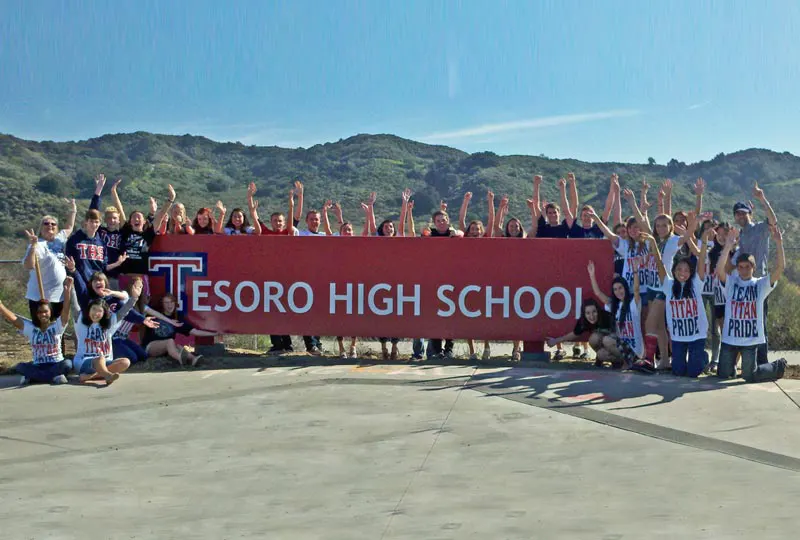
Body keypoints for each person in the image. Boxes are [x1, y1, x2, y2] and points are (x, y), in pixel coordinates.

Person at [716, 227, 787, 382]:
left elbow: (780, 269)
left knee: (749, 376)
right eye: (740, 267)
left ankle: (777, 366)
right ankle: (731, 367)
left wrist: (779, 244)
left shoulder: (760, 284)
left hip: (750, 340)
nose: (744, 270)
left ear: (753, 268)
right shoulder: (731, 283)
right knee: (723, 375)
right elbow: (719, 270)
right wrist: (727, 246)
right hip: (730, 339)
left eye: (747, 267)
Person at [648, 226, 710, 378]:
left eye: (686, 270)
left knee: (693, 372)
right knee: (679, 371)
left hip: (697, 335)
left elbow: (702, 260)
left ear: (691, 272)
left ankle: (703, 357)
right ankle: (688, 360)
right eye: (679, 269)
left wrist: (705, 241)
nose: (683, 273)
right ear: (674, 270)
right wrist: (652, 243)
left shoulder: (696, 283)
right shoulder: (668, 285)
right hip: (678, 337)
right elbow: (659, 263)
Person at [729, 182, 778, 365]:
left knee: (760, 323)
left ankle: (762, 363)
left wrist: (761, 197)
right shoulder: (739, 235)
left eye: (744, 212)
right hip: (742, 283)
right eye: (738, 213)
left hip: (759, 283)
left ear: (750, 213)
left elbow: (773, 220)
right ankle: (750, 363)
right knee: (748, 323)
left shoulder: (760, 228)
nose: (741, 215)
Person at [0, 276, 74, 385]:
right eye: (39, 312)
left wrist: (67, 292)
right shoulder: (31, 328)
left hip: (55, 364)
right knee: (20, 367)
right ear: (36, 314)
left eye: (45, 311)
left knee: (67, 364)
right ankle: (52, 378)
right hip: (38, 366)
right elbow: (13, 319)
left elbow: (66, 312)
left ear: (50, 313)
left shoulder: (57, 326)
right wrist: (1, 305)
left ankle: (36, 378)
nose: (42, 314)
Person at [70, 279, 140, 385]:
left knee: (125, 362)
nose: (96, 313)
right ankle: (107, 375)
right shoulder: (81, 323)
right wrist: (71, 288)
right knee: (100, 358)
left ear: (104, 313)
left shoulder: (109, 324)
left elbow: (124, 311)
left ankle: (90, 377)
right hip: (83, 362)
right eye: (94, 309)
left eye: (99, 311)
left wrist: (134, 298)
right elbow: (74, 305)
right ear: (89, 310)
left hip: (105, 362)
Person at [588, 259, 647, 372]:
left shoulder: (633, 303)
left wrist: (635, 271)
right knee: (601, 354)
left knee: (607, 340)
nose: (618, 291)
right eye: (615, 289)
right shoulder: (614, 305)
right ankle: (622, 362)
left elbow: (636, 289)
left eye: (620, 288)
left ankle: (630, 362)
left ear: (625, 288)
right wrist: (592, 275)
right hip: (620, 346)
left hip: (634, 349)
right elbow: (598, 293)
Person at [21, 207, 75, 320]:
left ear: (56, 228)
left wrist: (73, 209)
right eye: (46, 223)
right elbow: (28, 266)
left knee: (58, 330)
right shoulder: (38, 244)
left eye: (53, 224)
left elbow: (69, 227)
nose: (50, 225)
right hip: (41, 297)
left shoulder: (59, 239)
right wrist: (32, 247)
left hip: (59, 295)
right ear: (41, 228)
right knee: (42, 329)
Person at [142, 293, 219, 367]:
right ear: (162, 304)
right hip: (150, 346)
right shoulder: (155, 313)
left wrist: (214, 334)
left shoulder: (178, 317)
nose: (170, 305)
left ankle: (193, 359)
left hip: (166, 348)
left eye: (172, 302)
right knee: (170, 341)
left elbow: (194, 331)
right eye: (166, 303)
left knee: (178, 346)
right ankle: (180, 359)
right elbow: (142, 309)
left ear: (175, 303)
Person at [546, 299, 617, 368]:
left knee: (606, 340)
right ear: (584, 313)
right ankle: (614, 360)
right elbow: (574, 334)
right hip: (606, 347)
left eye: (594, 312)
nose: (591, 316)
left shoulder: (607, 317)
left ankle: (623, 361)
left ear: (598, 310)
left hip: (618, 345)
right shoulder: (583, 321)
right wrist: (555, 341)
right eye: (588, 313)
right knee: (595, 342)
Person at [66, 209, 127, 285]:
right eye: (91, 221)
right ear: (86, 222)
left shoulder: (101, 243)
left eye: (96, 222)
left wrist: (118, 263)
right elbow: (68, 260)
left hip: (96, 284)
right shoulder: (75, 239)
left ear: (100, 223)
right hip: (78, 281)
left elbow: (104, 267)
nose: (94, 224)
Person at [89, 174, 125, 288]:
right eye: (109, 218)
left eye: (114, 218)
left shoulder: (122, 233)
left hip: (114, 275)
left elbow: (121, 211)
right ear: (104, 219)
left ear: (118, 219)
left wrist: (114, 192)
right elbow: (93, 212)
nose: (112, 220)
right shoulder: (100, 231)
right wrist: (98, 190)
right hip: (98, 274)